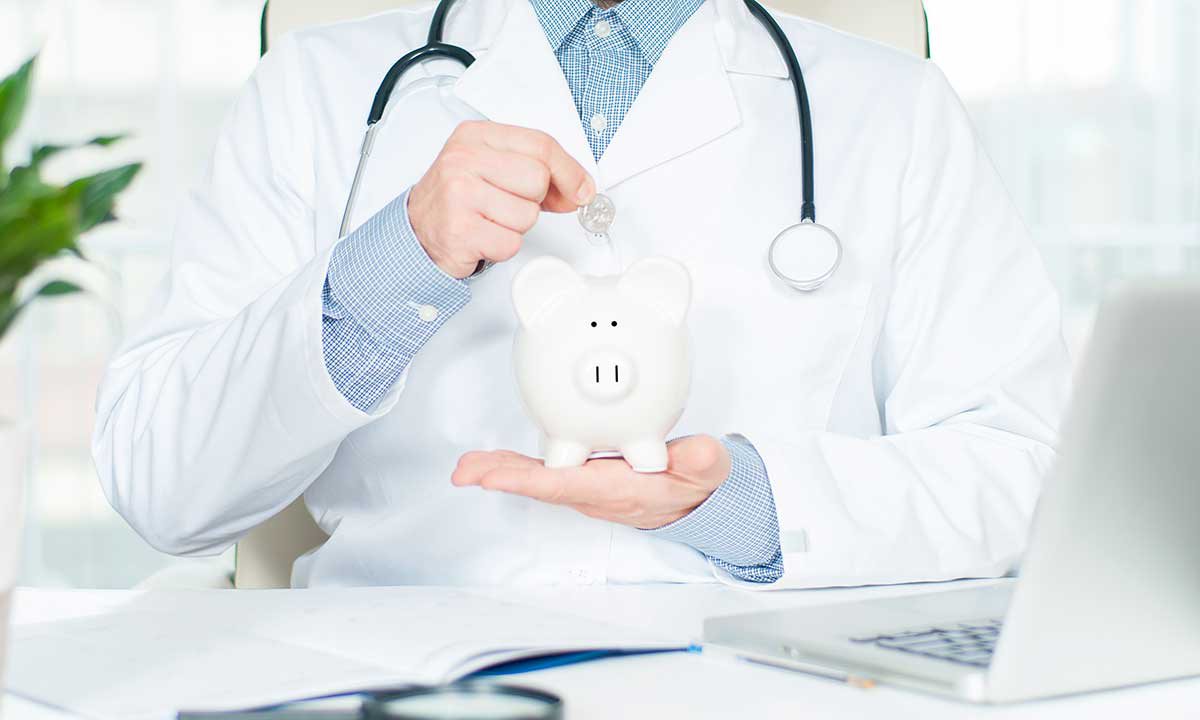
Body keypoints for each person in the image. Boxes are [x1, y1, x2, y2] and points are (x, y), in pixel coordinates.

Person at [93, 0, 1070, 588]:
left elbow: (1025, 479)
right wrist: (396, 261)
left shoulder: (894, 108)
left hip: (771, 680)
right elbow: (161, 484)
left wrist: (746, 505)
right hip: (410, 679)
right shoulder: (314, 90)